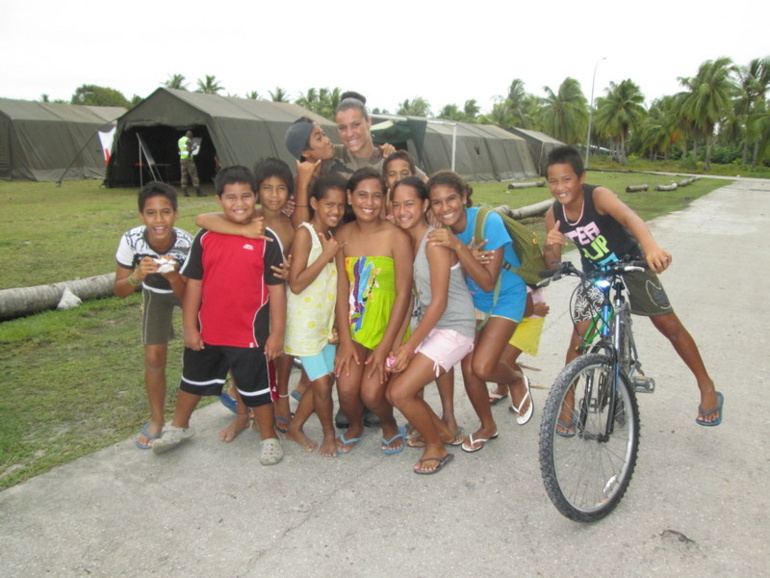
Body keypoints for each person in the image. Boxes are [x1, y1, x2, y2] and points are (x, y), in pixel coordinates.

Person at [543, 145, 722, 428]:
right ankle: (566, 403)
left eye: (566, 179)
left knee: (669, 326)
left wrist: (650, 247)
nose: (560, 187)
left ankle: (706, 385)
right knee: (579, 339)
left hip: (631, 263)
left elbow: (630, 218)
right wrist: (551, 248)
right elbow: (552, 262)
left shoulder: (598, 196)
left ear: (580, 177)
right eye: (553, 181)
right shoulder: (554, 215)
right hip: (595, 274)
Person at [152, 165, 287, 465]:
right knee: (192, 381)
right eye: (231, 197)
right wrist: (189, 327)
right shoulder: (205, 237)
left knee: (258, 390)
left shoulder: (268, 240)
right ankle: (179, 427)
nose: (239, 203)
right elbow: (194, 286)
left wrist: (276, 333)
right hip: (209, 331)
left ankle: (269, 436)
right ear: (218, 200)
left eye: (246, 196)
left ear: (256, 198)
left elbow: (277, 290)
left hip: (249, 335)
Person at [426, 171, 527, 452]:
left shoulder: (487, 221)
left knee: (482, 366)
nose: (445, 208)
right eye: (436, 202)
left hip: (506, 295)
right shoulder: (437, 231)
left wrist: (459, 247)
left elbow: (487, 280)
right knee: (469, 370)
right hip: (474, 303)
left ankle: (516, 379)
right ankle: (487, 426)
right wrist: (464, 253)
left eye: (451, 199)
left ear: (464, 197)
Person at [196, 158, 296, 435]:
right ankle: (242, 412)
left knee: (281, 352)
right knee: (242, 359)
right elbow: (202, 219)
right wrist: (242, 229)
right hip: (247, 306)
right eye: (267, 188)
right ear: (256, 192)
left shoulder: (291, 224)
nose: (274, 195)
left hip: (279, 298)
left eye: (282, 188)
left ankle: (279, 401)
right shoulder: (248, 217)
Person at [386, 177, 475, 474]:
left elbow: (438, 303)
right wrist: (399, 342)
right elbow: (411, 298)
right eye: (396, 205)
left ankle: (435, 446)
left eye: (409, 203)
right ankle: (446, 434)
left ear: (424, 205)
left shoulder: (435, 241)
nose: (402, 211)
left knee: (399, 393)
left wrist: (409, 348)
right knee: (396, 388)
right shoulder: (407, 242)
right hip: (432, 327)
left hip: (455, 328)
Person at [334, 167, 413, 454]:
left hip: (389, 325)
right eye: (362, 195)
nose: (369, 202)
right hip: (354, 325)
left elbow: (405, 293)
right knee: (345, 388)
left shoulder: (397, 236)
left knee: (371, 391)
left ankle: (389, 425)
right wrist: (344, 340)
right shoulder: (341, 234)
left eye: (377, 196)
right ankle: (355, 425)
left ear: (385, 199)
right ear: (349, 197)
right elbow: (342, 290)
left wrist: (387, 346)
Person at [114, 182, 192, 449]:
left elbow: (188, 296)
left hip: (181, 289)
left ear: (176, 213)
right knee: (153, 357)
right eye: (151, 213)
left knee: (213, 341)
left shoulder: (186, 242)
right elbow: (120, 290)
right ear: (141, 216)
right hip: (152, 293)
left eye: (166, 212)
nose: (159, 220)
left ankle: (238, 398)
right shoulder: (131, 240)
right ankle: (157, 420)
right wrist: (137, 275)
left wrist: (173, 276)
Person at [284, 174, 347, 457]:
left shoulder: (332, 238)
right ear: (313, 203)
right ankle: (329, 434)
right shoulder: (304, 234)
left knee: (324, 380)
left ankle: (295, 426)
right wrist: (327, 255)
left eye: (341, 206)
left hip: (323, 326)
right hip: (303, 327)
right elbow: (296, 283)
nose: (335, 211)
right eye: (329, 204)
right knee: (322, 384)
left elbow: (331, 288)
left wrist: (334, 324)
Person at [487, 287, 549, 425]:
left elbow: (540, 277)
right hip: (506, 314)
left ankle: (520, 387)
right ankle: (502, 388)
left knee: (506, 360)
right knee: (496, 355)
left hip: (531, 315)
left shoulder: (524, 268)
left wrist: (533, 309)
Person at [178, 130, 204, 197]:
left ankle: (184, 192)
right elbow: (189, 150)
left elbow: (181, 149)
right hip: (188, 159)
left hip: (182, 158)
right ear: (190, 135)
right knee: (194, 175)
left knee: (184, 175)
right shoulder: (188, 141)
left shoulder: (180, 140)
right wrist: (194, 148)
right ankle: (198, 192)